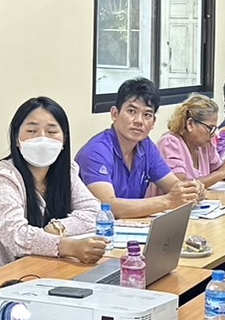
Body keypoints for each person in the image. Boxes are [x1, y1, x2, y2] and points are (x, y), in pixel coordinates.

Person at [0, 96, 108, 273]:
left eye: (52, 132)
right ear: (16, 139)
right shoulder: (0, 178)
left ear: (64, 140)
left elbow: (95, 212)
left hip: (41, 271)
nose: (42, 139)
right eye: (32, 131)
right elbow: (16, 236)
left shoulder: (66, 171)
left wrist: (57, 228)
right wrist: (67, 246)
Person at [76, 77, 200, 218]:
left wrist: (191, 190)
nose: (139, 121)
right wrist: (168, 201)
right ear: (115, 114)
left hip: (131, 229)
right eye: (132, 111)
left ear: (153, 122)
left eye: (147, 115)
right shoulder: (96, 152)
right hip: (93, 233)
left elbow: (174, 186)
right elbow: (108, 207)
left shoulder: (145, 146)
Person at [158, 94, 225, 187]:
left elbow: (217, 171)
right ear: (190, 124)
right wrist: (222, 173)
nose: (213, 134)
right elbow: (180, 186)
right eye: (210, 128)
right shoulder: (170, 143)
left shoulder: (206, 144)